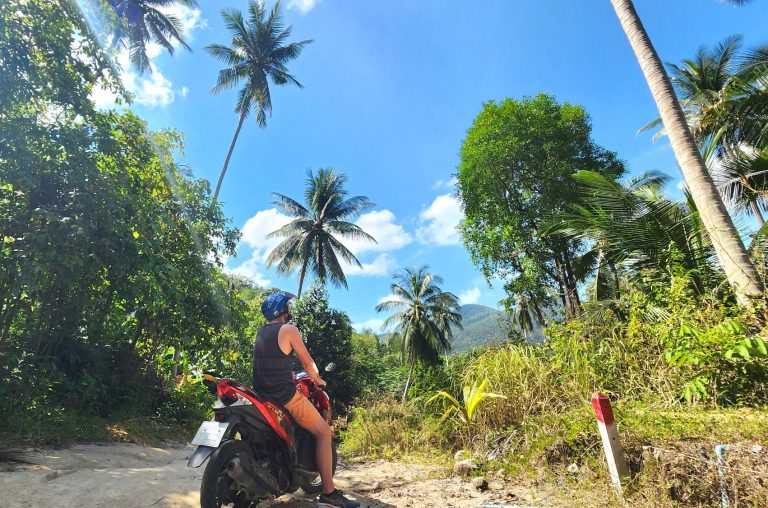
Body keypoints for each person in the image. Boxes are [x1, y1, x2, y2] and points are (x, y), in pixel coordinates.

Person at [253, 291, 360, 508]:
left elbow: (273, 362)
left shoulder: (262, 332)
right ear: (283, 310)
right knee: (324, 432)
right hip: (285, 397)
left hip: (262, 396)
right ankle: (329, 493)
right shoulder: (289, 329)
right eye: (288, 306)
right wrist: (318, 380)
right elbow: (308, 363)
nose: (290, 310)